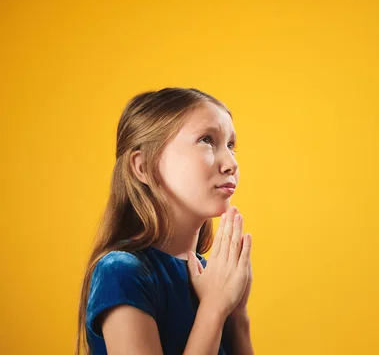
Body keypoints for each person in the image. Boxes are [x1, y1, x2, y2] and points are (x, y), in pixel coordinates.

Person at [75, 88, 254, 355]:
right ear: (144, 166)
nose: (231, 163)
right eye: (206, 140)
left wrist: (237, 313)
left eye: (231, 145)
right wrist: (214, 308)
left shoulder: (212, 277)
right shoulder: (121, 272)